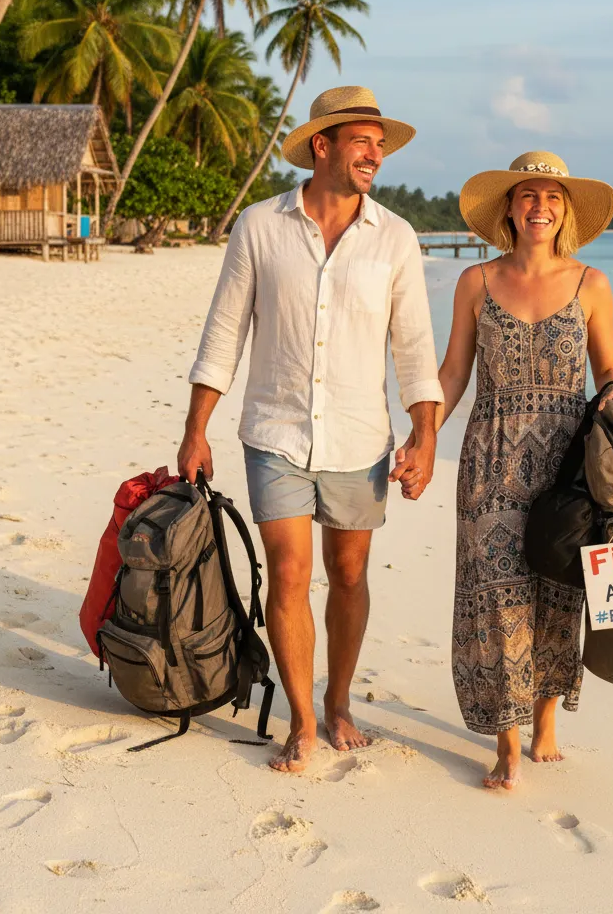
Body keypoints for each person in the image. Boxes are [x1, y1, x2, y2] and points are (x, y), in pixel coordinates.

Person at [178, 86, 443, 773]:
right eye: (363, 141)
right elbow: (224, 333)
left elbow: (414, 348)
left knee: (348, 572)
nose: (375, 155)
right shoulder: (260, 227)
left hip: (361, 437)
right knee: (290, 573)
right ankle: (301, 719)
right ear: (322, 146)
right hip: (275, 430)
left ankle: (340, 702)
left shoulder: (396, 238)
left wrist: (426, 436)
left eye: (380, 145)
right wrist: (195, 430)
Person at [401, 151, 613, 789]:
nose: (539, 207)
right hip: (489, 457)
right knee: (497, 593)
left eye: (552, 198)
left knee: (559, 588)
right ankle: (506, 740)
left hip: (568, 460)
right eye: (527, 196)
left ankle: (546, 720)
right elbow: (452, 375)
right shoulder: (477, 283)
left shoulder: (592, 284)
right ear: (508, 207)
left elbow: (607, 368)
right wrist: (422, 440)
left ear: (565, 211)